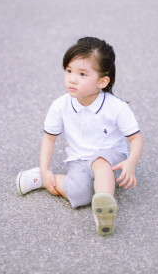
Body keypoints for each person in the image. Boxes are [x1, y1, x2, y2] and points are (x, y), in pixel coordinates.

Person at [16, 37, 144, 236]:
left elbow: (136, 139)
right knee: (79, 194)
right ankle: (41, 180)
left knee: (100, 162)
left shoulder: (116, 107)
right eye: (69, 71)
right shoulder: (60, 105)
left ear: (102, 81)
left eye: (82, 74)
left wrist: (131, 163)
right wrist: (45, 170)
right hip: (79, 162)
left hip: (113, 163)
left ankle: (102, 212)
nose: (72, 79)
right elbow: (49, 138)